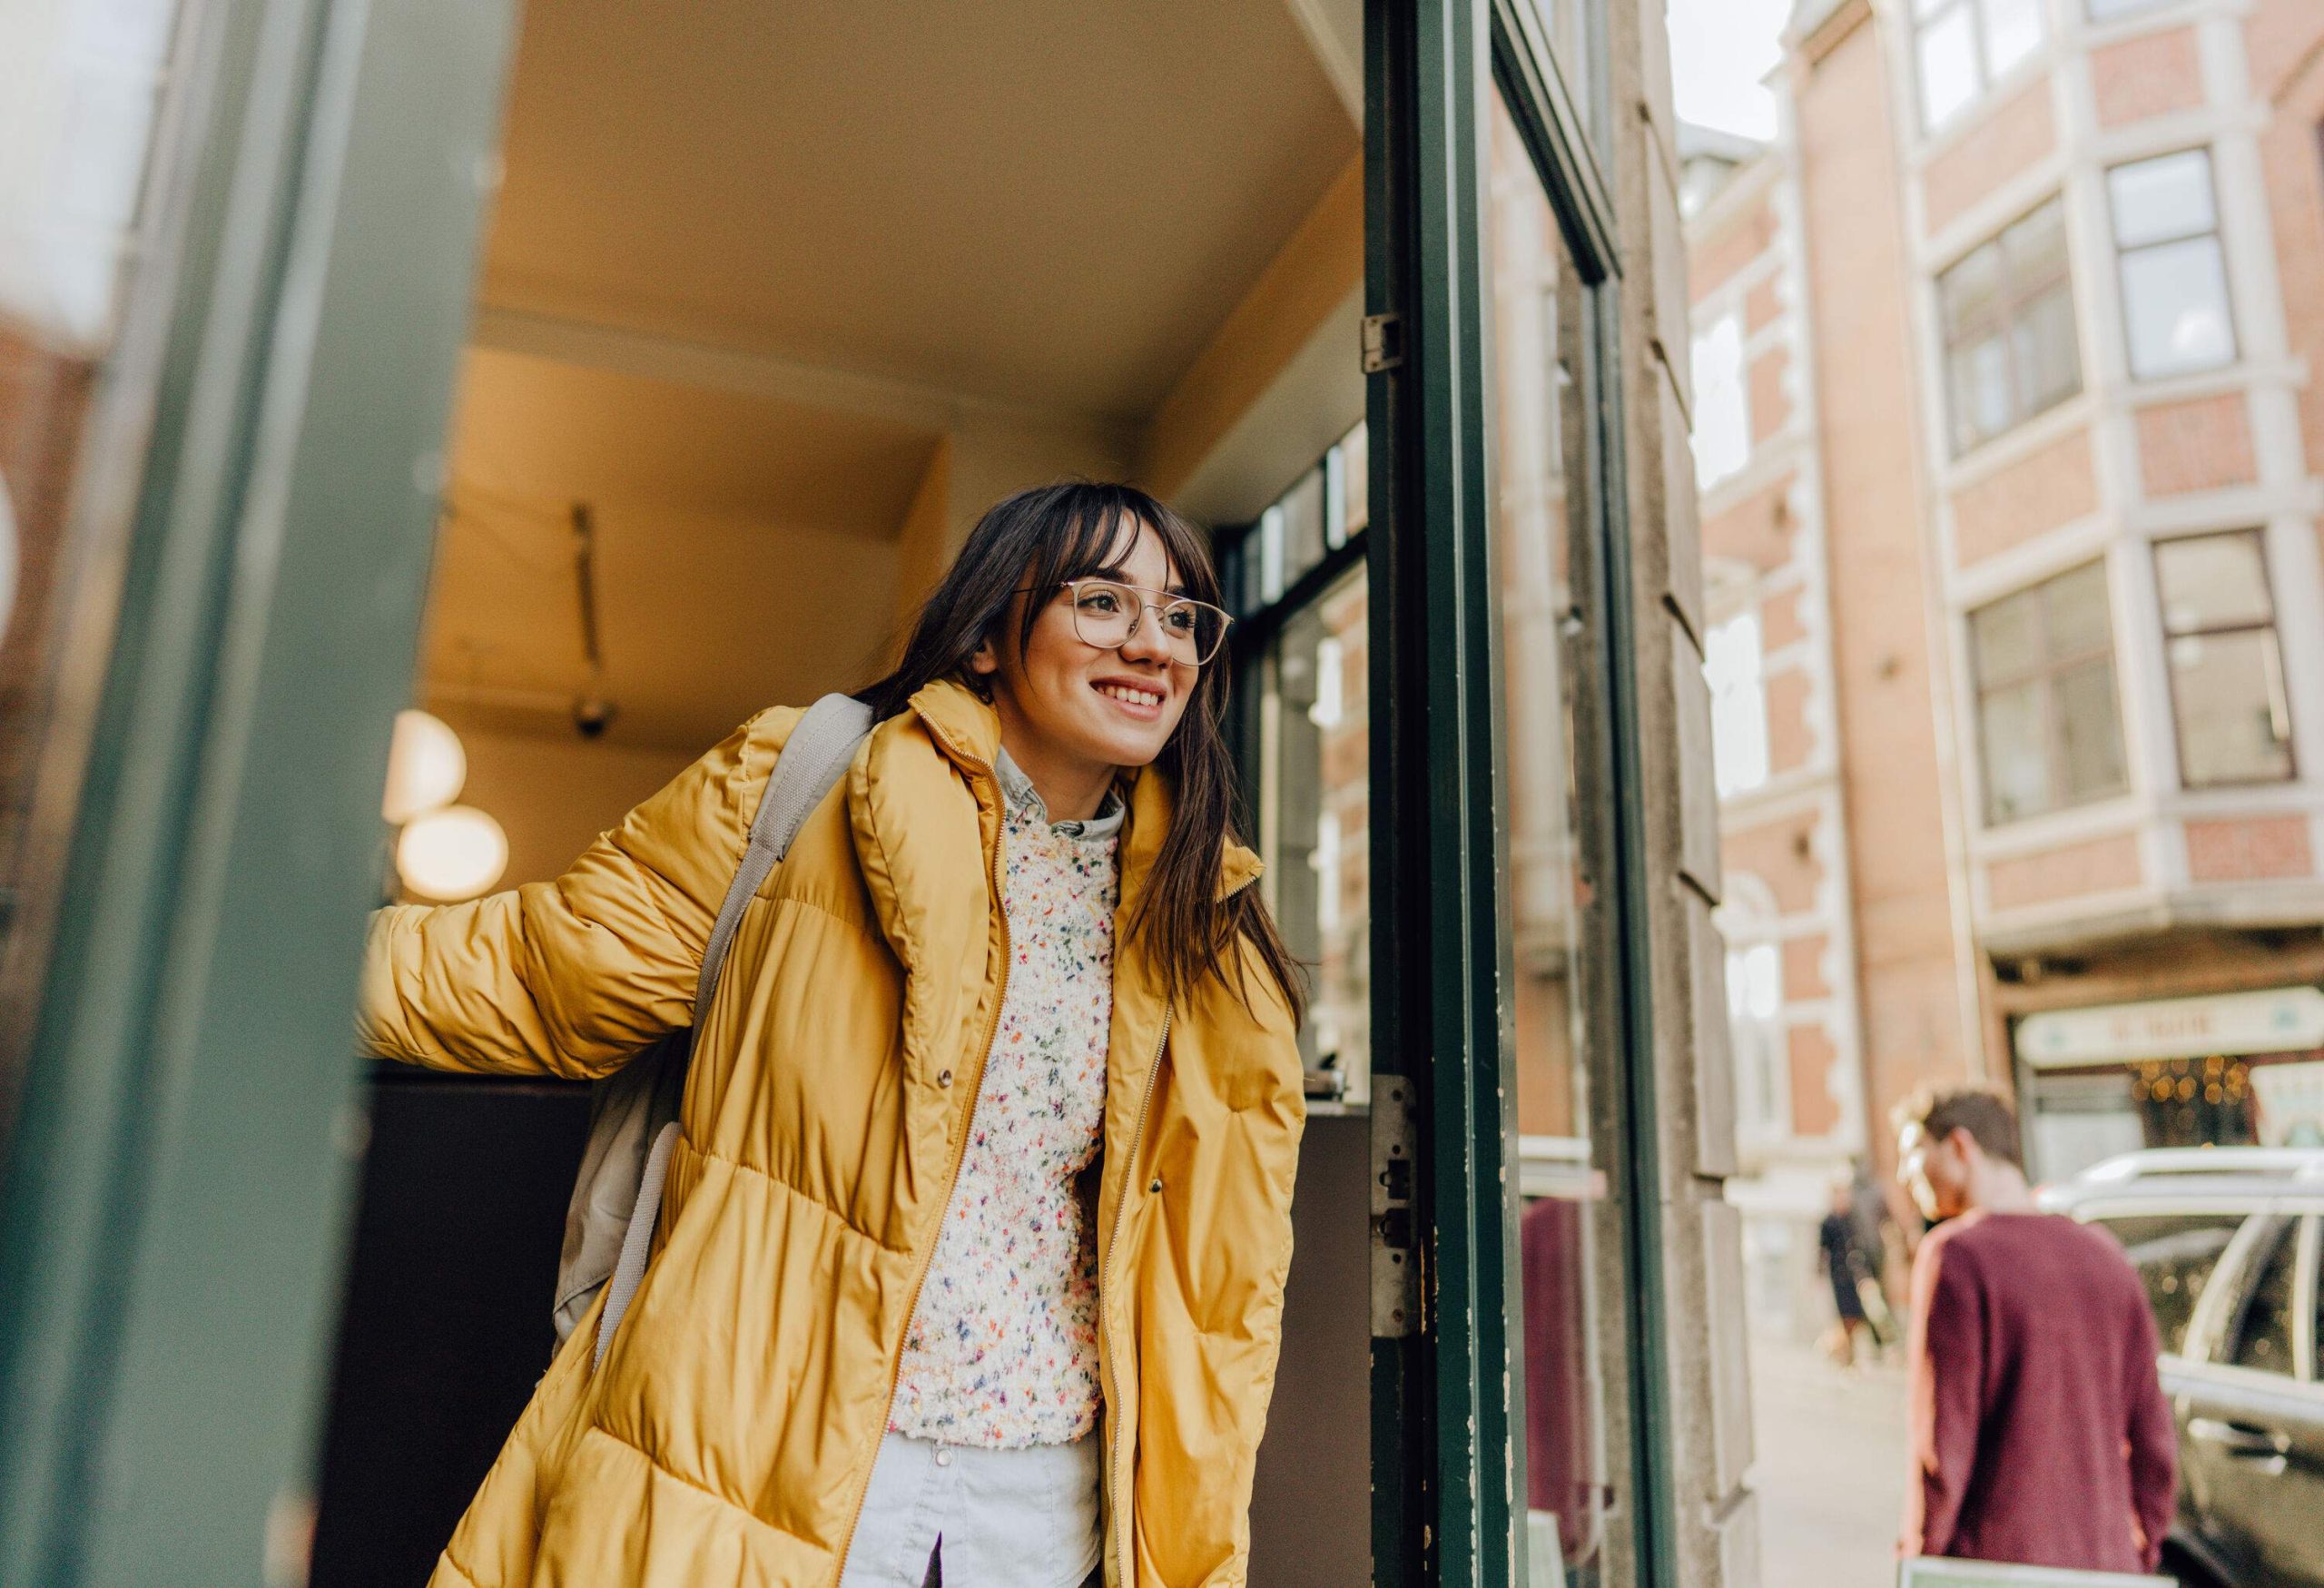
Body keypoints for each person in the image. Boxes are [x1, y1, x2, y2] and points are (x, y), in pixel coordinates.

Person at [358, 483, 1308, 1588]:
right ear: (994, 631)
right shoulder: (812, 790)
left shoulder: (1210, 931)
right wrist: (262, 972)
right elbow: (539, 969)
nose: (1153, 644)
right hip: (766, 1458)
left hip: (1046, 1504)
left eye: (1183, 616)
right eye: (1102, 602)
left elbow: (1222, 1298)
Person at [1893, 1085, 2176, 1574]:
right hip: (2105, 1566)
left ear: (1961, 1146)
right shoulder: (2106, 1257)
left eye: (1914, 1153)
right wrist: (2139, 1550)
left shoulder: (1955, 1256)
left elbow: (1942, 1447)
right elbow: (2154, 1441)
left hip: (1995, 1568)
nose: (1904, 1175)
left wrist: (1919, 1562)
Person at [1816, 1179, 1876, 1367]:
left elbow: (1860, 1246)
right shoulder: (1828, 1221)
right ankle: (1845, 1355)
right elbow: (1823, 1249)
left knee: (1857, 1317)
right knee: (1844, 1317)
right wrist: (1818, 1272)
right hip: (1839, 1276)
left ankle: (1836, 1347)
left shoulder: (1852, 1219)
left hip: (1854, 1275)